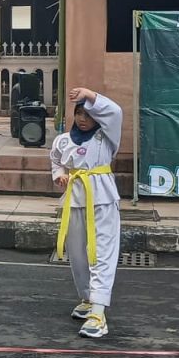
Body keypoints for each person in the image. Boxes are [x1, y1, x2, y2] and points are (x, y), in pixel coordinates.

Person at [49, 87, 123, 339]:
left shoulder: (106, 136)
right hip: (74, 199)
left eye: (89, 115)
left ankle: (98, 313)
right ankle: (88, 298)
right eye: (79, 113)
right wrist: (59, 175)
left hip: (102, 198)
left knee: (102, 252)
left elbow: (115, 111)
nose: (83, 119)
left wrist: (90, 95)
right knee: (78, 253)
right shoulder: (63, 140)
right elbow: (56, 159)